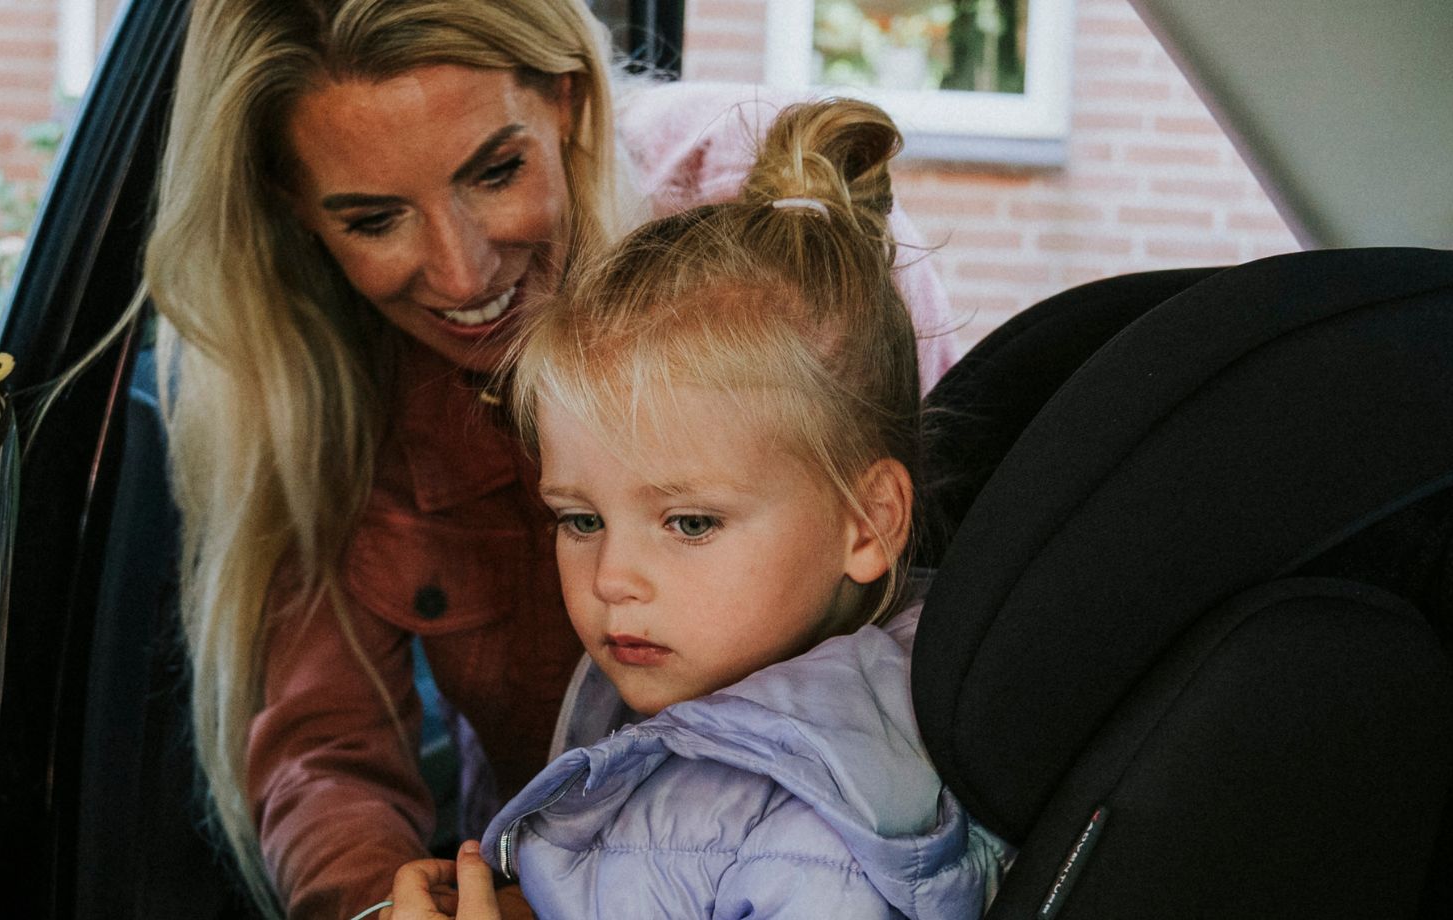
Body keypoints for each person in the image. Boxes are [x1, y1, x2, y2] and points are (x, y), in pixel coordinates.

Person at [141, 2, 959, 917]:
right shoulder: (332, 387)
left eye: (496, 172)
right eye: (376, 219)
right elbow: (328, 752)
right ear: (296, 212)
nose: (460, 274)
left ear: (567, 98)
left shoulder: (791, 238)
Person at [379, 98, 1001, 920]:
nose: (612, 579)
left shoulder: (828, 843)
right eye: (580, 519)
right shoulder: (666, 697)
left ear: (868, 520)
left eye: (691, 523)